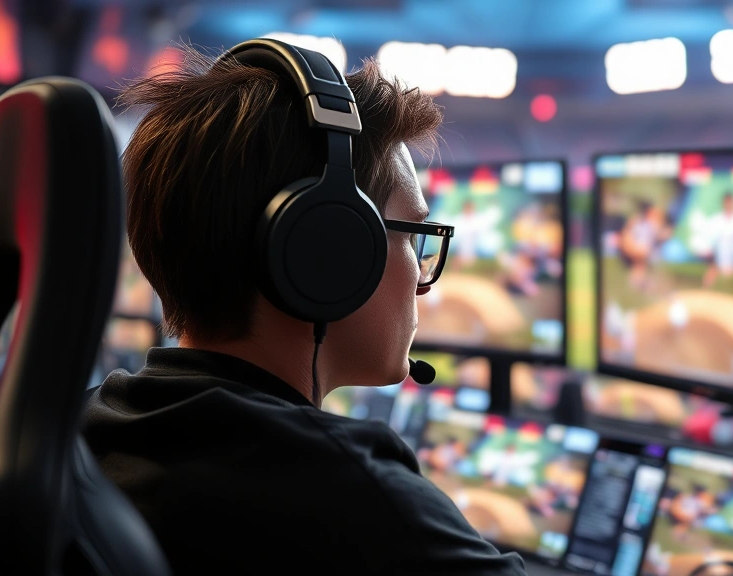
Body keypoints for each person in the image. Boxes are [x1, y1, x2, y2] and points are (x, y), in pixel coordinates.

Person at [82, 44, 526, 575]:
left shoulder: (84, 426)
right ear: (327, 250)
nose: (422, 283)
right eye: (412, 236)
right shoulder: (361, 499)